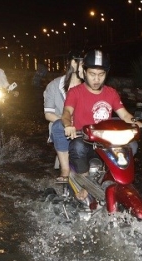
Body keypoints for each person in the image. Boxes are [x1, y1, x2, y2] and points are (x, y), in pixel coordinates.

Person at [61, 49, 142, 199]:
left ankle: (111, 180)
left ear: (106, 74)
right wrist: (68, 125)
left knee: (132, 146)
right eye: (92, 74)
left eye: (101, 74)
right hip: (85, 140)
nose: (96, 79)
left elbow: (125, 115)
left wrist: (140, 124)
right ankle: (86, 183)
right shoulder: (75, 92)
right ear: (84, 72)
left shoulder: (111, 93)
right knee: (77, 147)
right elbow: (66, 113)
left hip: (106, 142)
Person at [44, 51, 84, 182]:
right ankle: (65, 169)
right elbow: (48, 113)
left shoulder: (91, 87)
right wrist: (68, 122)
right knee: (58, 126)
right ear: (74, 63)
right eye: (84, 65)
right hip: (61, 128)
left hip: (84, 126)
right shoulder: (54, 86)